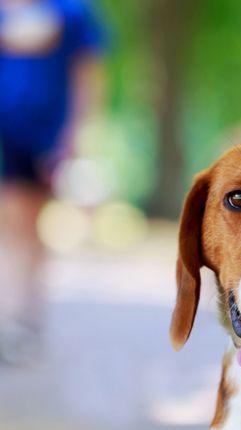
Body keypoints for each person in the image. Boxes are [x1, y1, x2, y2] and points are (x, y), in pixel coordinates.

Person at [0, 0, 106, 364]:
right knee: (14, 224)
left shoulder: (72, 12)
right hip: (6, 132)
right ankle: (18, 319)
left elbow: (87, 75)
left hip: (43, 133)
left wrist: (73, 136)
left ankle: (24, 318)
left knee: (24, 225)